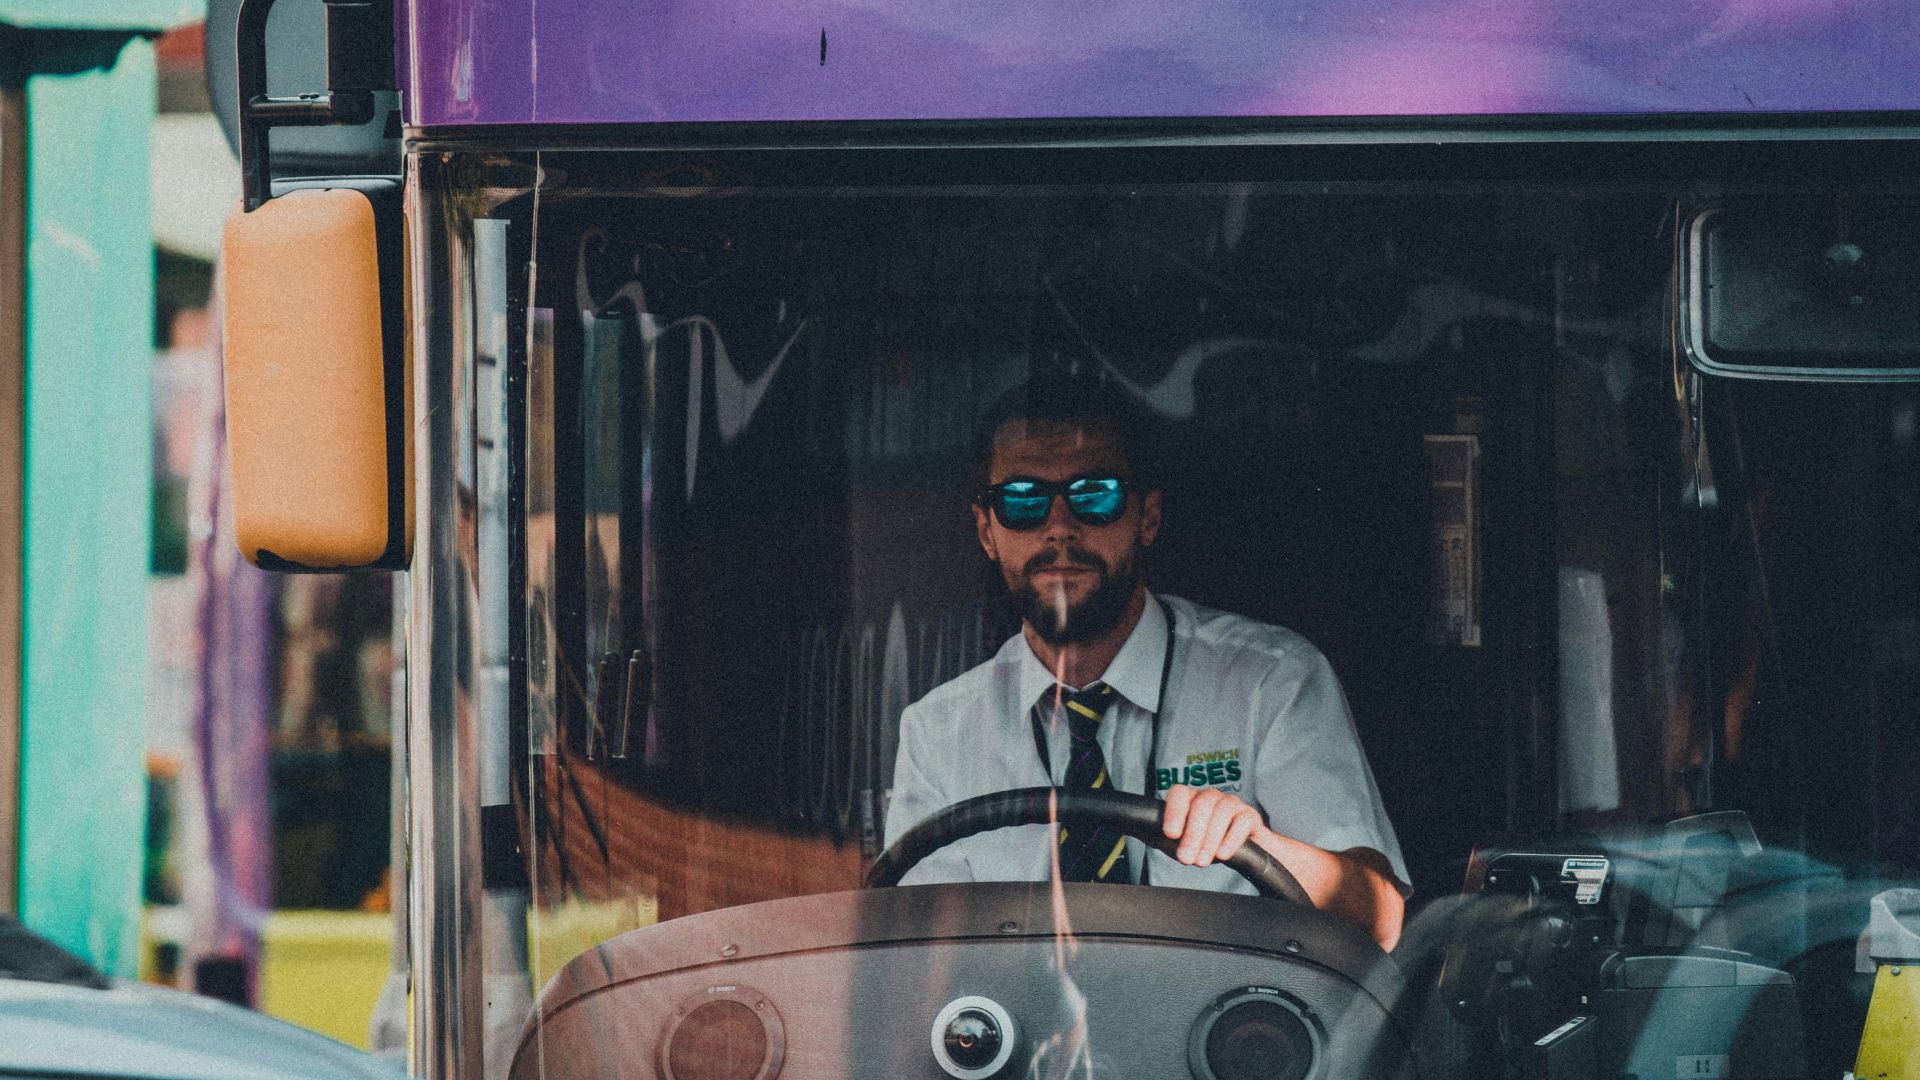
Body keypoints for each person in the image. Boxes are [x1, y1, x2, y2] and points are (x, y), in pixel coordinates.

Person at [884, 375, 1409, 949]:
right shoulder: (939, 732)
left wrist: (1256, 845)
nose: (1060, 525)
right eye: (1023, 501)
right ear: (987, 532)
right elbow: (916, 958)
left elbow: (1380, 919)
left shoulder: (1270, 681)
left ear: (1148, 517)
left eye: (1096, 494)